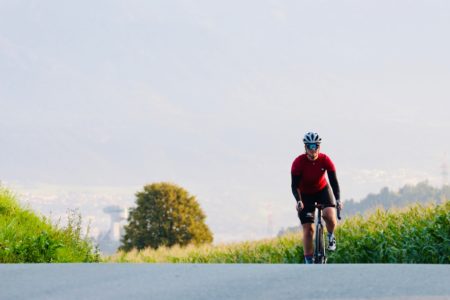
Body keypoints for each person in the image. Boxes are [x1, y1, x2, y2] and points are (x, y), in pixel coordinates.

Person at [291, 132, 342, 264]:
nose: (313, 149)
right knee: (308, 229)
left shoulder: (325, 160)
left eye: (315, 146)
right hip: (305, 194)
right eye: (310, 146)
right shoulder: (298, 162)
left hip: (322, 190)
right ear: (305, 148)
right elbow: (294, 185)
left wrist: (338, 200)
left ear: (319, 147)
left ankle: (331, 236)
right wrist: (299, 201)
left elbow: (334, 182)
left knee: (329, 215)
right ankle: (308, 261)